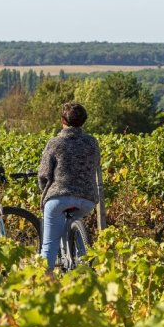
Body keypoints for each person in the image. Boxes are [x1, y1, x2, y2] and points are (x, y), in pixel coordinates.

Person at [38, 102, 101, 272]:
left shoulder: (55, 143)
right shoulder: (92, 143)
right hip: (87, 199)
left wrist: (45, 189)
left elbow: (44, 175)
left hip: (58, 197)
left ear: (62, 120)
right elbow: (95, 165)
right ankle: (85, 271)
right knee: (82, 245)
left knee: (49, 246)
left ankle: (45, 285)